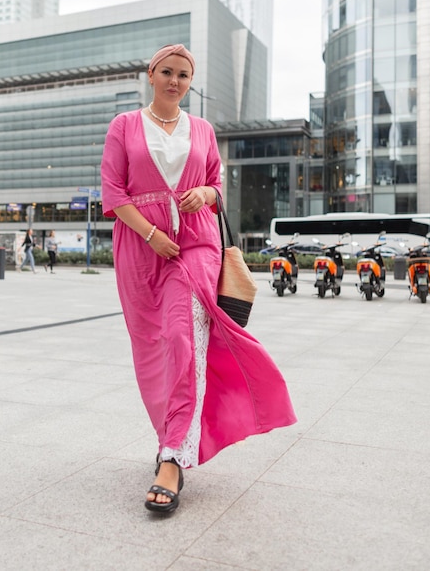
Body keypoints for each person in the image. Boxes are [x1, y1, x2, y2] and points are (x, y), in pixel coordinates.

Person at [101, 43, 296, 515]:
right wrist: (150, 234)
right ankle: (171, 435)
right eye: (166, 72)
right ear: (151, 74)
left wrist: (205, 191)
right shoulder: (123, 126)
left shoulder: (203, 129)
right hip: (141, 246)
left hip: (196, 243)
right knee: (153, 348)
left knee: (183, 335)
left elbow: (215, 185)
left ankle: (172, 459)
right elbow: (112, 192)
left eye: (183, 75)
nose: (174, 80)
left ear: (191, 82)